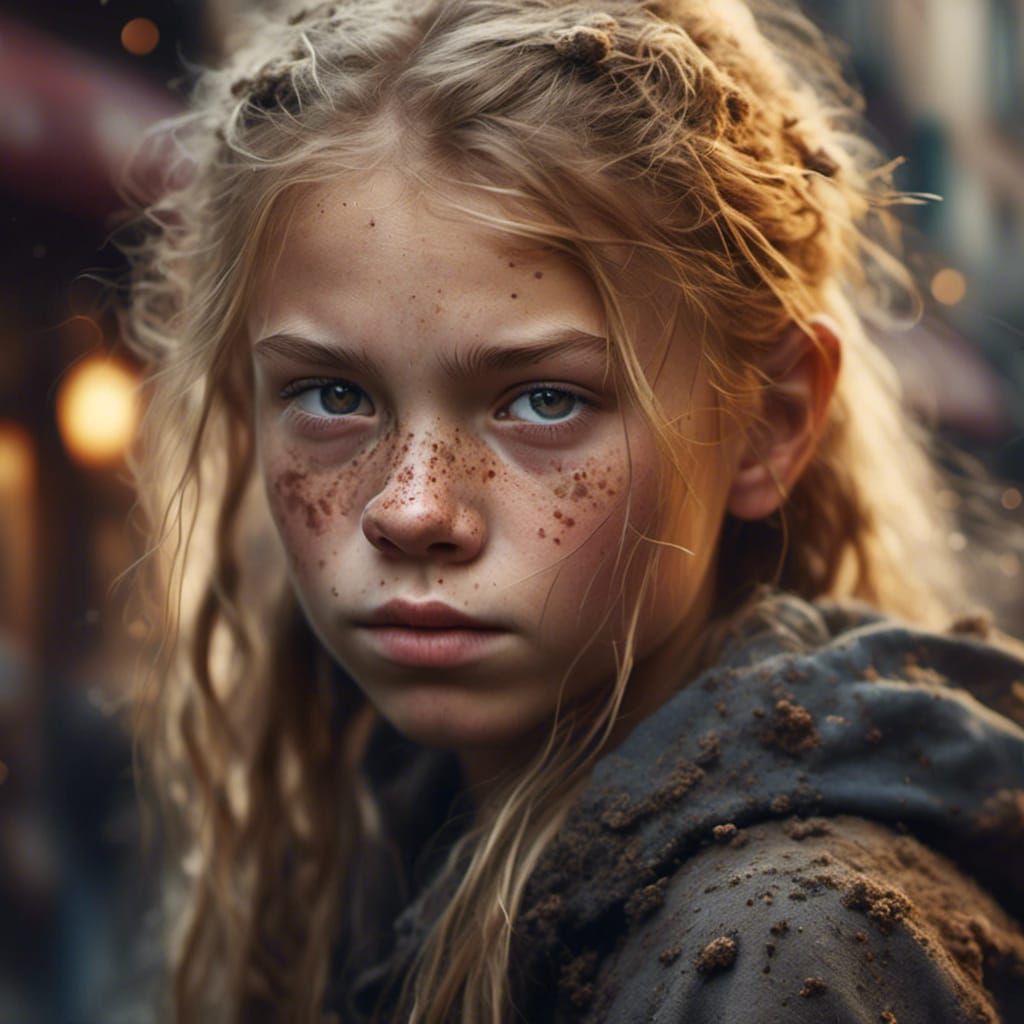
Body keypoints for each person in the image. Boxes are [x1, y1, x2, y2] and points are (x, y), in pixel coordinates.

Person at [117, 1, 1024, 1021]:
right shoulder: (361, 841)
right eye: (333, 394)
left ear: (768, 421)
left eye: (545, 400)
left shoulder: (779, 960)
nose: (411, 510)